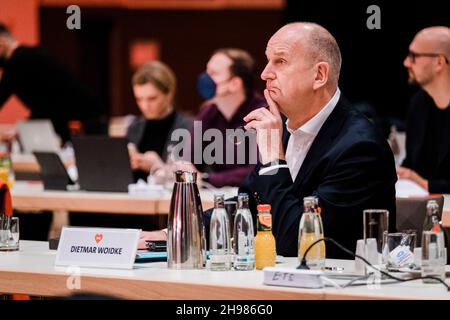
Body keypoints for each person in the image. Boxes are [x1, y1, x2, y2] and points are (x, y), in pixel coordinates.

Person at [139, 23, 397, 257]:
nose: (264, 74)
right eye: (267, 61)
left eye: (280, 61)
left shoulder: (360, 148)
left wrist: (274, 159)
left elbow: (298, 243)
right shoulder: (284, 129)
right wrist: (169, 235)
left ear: (319, 75)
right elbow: (247, 207)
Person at [0, 23, 107, 143]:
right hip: (85, 117)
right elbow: (46, 102)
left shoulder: (16, 62)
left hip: (82, 122)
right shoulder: (33, 54)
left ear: (2, 42)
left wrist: (21, 127)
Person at [176, 48, 266, 188]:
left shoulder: (262, 113)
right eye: (207, 71)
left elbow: (258, 169)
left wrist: (207, 178)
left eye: (213, 73)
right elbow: (187, 159)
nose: (204, 78)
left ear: (235, 83)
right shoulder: (209, 111)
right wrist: (185, 167)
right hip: (219, 197)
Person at [397, 27, 450, 194]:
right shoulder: (418, 104)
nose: (406, 62)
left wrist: (422, 182)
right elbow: (412, 164)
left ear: (439, 62)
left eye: (414, 56)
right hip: (421, 209)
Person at [127, 61, 192, 182]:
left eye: (152, 98)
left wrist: (157, 166)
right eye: (139, 99)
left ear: (169, 94)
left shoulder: (189, 128)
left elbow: (191, 178)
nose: (144, 106)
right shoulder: (134, 127)